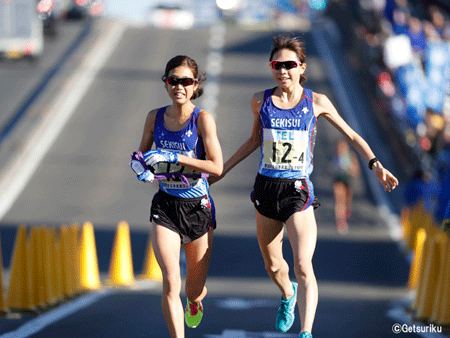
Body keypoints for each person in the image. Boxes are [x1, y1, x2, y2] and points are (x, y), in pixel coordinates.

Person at [210, 34, 399, 338]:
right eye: (276, 65)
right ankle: (287, 294)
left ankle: (306, 331)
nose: (282, 70)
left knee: (302, 263)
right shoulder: (260, 100)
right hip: (266, 189)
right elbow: (254, 141)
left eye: (289, 64)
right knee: (274, 267)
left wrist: (375, 165)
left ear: (301, 67)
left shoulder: (317, 102)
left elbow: (351, 135)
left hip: (297, 190)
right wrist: (222, 170)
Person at [130, 55, 223, 338]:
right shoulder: (155, 117)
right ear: (166, 83)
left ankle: (195, 301)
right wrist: (142, 168)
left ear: (195, 85)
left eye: (185, 81)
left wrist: (174, 156)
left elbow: (216, 167)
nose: (179, 86)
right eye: (173, 81)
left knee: (192, 290)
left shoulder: (202, 120)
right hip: (166, 205)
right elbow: (141, 155)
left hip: (197, 207)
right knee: (171, 280)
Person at [331, 138, 360, 234]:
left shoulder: (351, 156)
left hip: (347, 180)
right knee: (340, 200)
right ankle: (340, 221)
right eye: (340, 147)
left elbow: (356, 171)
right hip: (338, 181)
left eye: (343, 147)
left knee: (347, 201)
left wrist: (350, 170)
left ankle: (346, 210)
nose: (341, 149)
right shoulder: (336, 156)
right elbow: (331, 168)